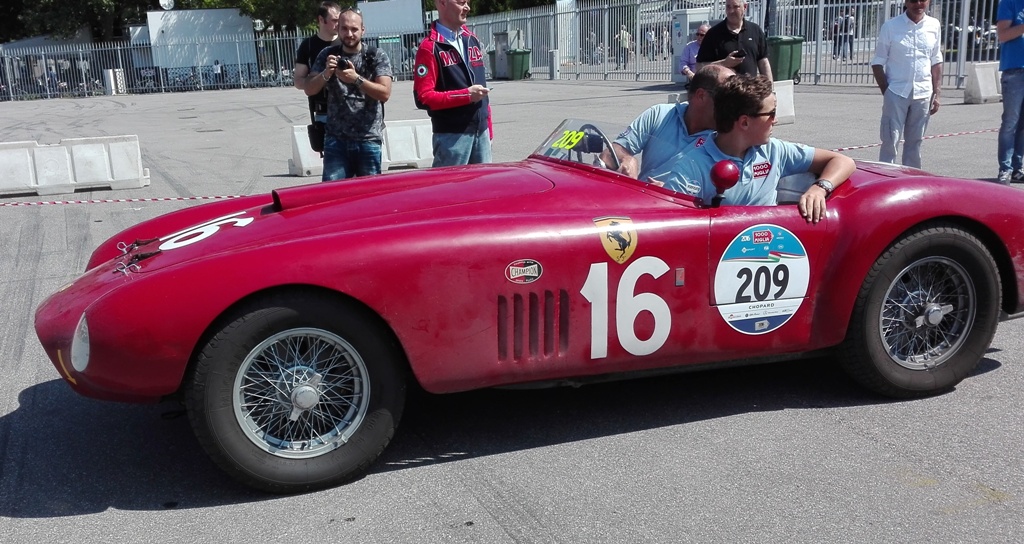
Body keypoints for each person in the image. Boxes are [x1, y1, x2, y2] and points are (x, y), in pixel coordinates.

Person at [655, 75, 855, 224]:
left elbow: (843, 161)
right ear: (744, 122)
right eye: (771, 113)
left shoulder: (775, 151)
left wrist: (819, 189)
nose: (775, 120)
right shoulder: (691, 166)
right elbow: (671, 221)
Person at [305, 8, 393, 180]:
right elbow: (309, 89)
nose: (349, 34)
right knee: (332, 193)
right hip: (336, 139)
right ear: (337, 29)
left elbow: (385, 93)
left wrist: (356, 79)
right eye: (344, 29)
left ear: (363, 30)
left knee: (369, 193)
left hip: (368, 138)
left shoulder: (376, 56)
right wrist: (326, 74)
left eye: (354, 29)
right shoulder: (328, 55)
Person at [611, 65, 735, 181]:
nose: (733, 105)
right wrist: (626, 159)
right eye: (726, 96)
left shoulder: (730, 135)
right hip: (643, 195)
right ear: (701, 95)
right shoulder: (659, 114)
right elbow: (610, 154)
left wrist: (673, 189)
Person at [413, 0, 492, 166]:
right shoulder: (429, 47)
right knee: (451, 184)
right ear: (442, 3)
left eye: (468, 2)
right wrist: (466, 95)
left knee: (484, 183)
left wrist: (488, 127)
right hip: (452, 138)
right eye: (461, 2)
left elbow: (482, 89)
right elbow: (423, 98)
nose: (467, 7)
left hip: (482, 133)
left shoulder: (472, 39)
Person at [870, 0, 943, 168]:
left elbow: (936, 60)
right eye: (913, 0)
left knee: (915, 141)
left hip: (923, 92)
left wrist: (937, 93)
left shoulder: (934, 25)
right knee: (890, 140)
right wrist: (887, 92)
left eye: (922, 0)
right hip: (896, 91)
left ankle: (912, 176)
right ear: (906, 1)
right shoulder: (891, 27)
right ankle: (887, 176)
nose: (918, 4)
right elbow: (877, 62)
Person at [697, 0, 772, 79]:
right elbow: (699, 67)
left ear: (745, 7)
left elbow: (763, 62)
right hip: (724, 86)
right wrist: (724, 63)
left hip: (750, 86)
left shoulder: (755, 30)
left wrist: (770, 86)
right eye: (728, 7)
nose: (731, 11)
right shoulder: (713, 34)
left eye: (736, 7)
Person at [293, 2, 341, 126]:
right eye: (334, 20)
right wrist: (320, 79)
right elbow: (298, 81)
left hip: (348, 110)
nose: (338, 24)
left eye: (339, 20)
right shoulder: (308, 45)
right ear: (321, 19)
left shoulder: (346, 42)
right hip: (323, 112)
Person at [996, 0, 1024, 183]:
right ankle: (1005, 169)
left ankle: (1017, 168)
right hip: (1015, 70)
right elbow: (1003, 34)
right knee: (1010, 122)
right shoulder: (1010, 2)